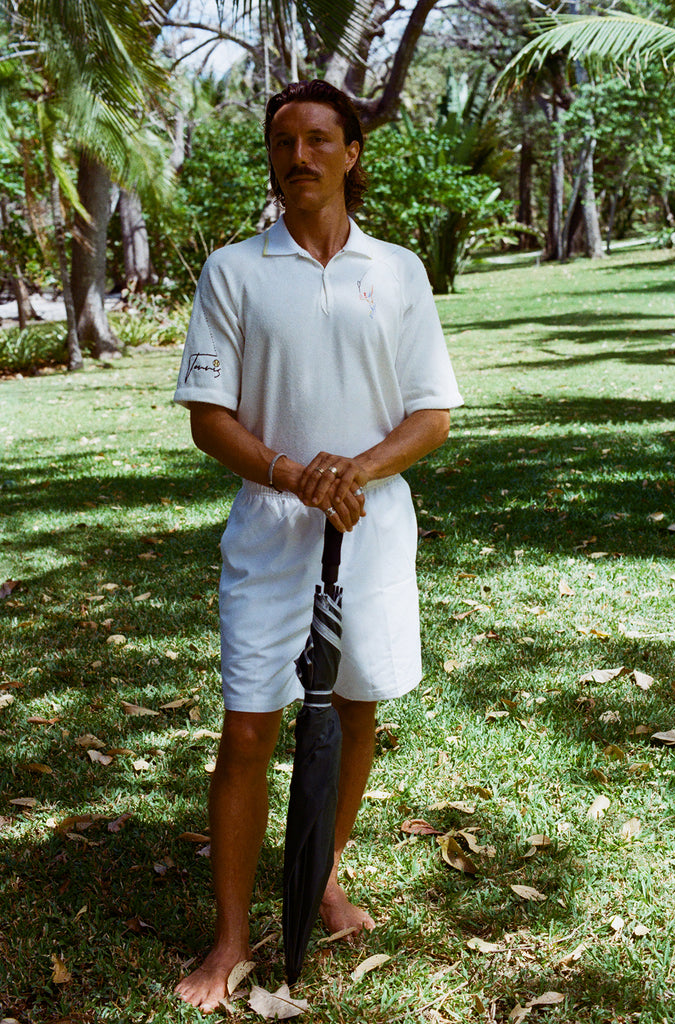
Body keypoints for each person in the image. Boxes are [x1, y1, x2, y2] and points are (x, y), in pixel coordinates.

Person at [172, 79, 463, 1013]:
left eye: (317, 140)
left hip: (371, 533)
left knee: (354, 711)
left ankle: (321, 877)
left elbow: (433, 414)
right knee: (250, 726)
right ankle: (227, 938)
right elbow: (209, 423)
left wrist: (357, 470)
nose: (298, 156)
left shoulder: (400, 270)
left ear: (351, 155)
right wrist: (297, 475)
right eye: (283, 141)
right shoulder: (235, 272)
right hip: (271, 532)